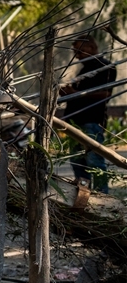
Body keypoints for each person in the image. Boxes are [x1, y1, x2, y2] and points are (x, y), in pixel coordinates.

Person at [59, 34, 116, 194]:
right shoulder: (85, 69)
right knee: (77, 160)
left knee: (94, 160)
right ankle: (84, 193)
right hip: (75, 122)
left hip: (91, 121)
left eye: (80, 50)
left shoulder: (105, 67)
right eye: (75, 51)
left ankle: (102, 195)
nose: (77, 55)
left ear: (91, 47)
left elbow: (104, 93)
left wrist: (75, 92)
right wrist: (68, 92)